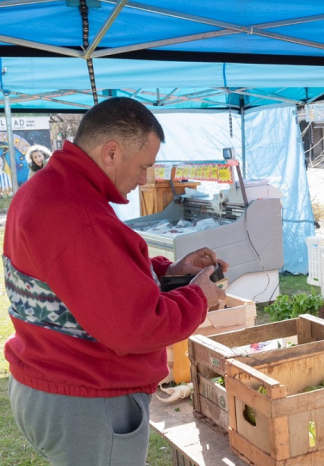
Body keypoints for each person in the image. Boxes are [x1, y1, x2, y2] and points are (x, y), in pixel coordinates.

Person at [4, 97, 228, 466]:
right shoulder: (77, 213)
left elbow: (88, 277)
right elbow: (137, 326)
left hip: (52, 384)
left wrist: (167, 273)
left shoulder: (49, 189)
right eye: (143, 166)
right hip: (86, 399)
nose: (144, 179)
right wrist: (197, 296)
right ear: (111, 152)